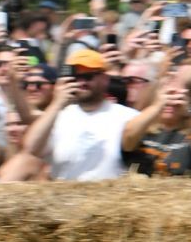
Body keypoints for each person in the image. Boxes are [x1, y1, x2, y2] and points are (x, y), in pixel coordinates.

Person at [24, 47, 138, 181]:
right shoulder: (59, 116)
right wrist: (57, 103)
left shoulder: (127, 116)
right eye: (76, 77)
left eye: (88, 77)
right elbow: (31, 148)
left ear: (105, 79)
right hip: (66, 198)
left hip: (108, 198)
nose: (81, 82)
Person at [122, 76, 191, 177]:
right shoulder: (142, 127)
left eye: (177, 96)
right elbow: (127, 142)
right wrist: (157, 106)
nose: (170, 102)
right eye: (167, 95)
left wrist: (188, 113)